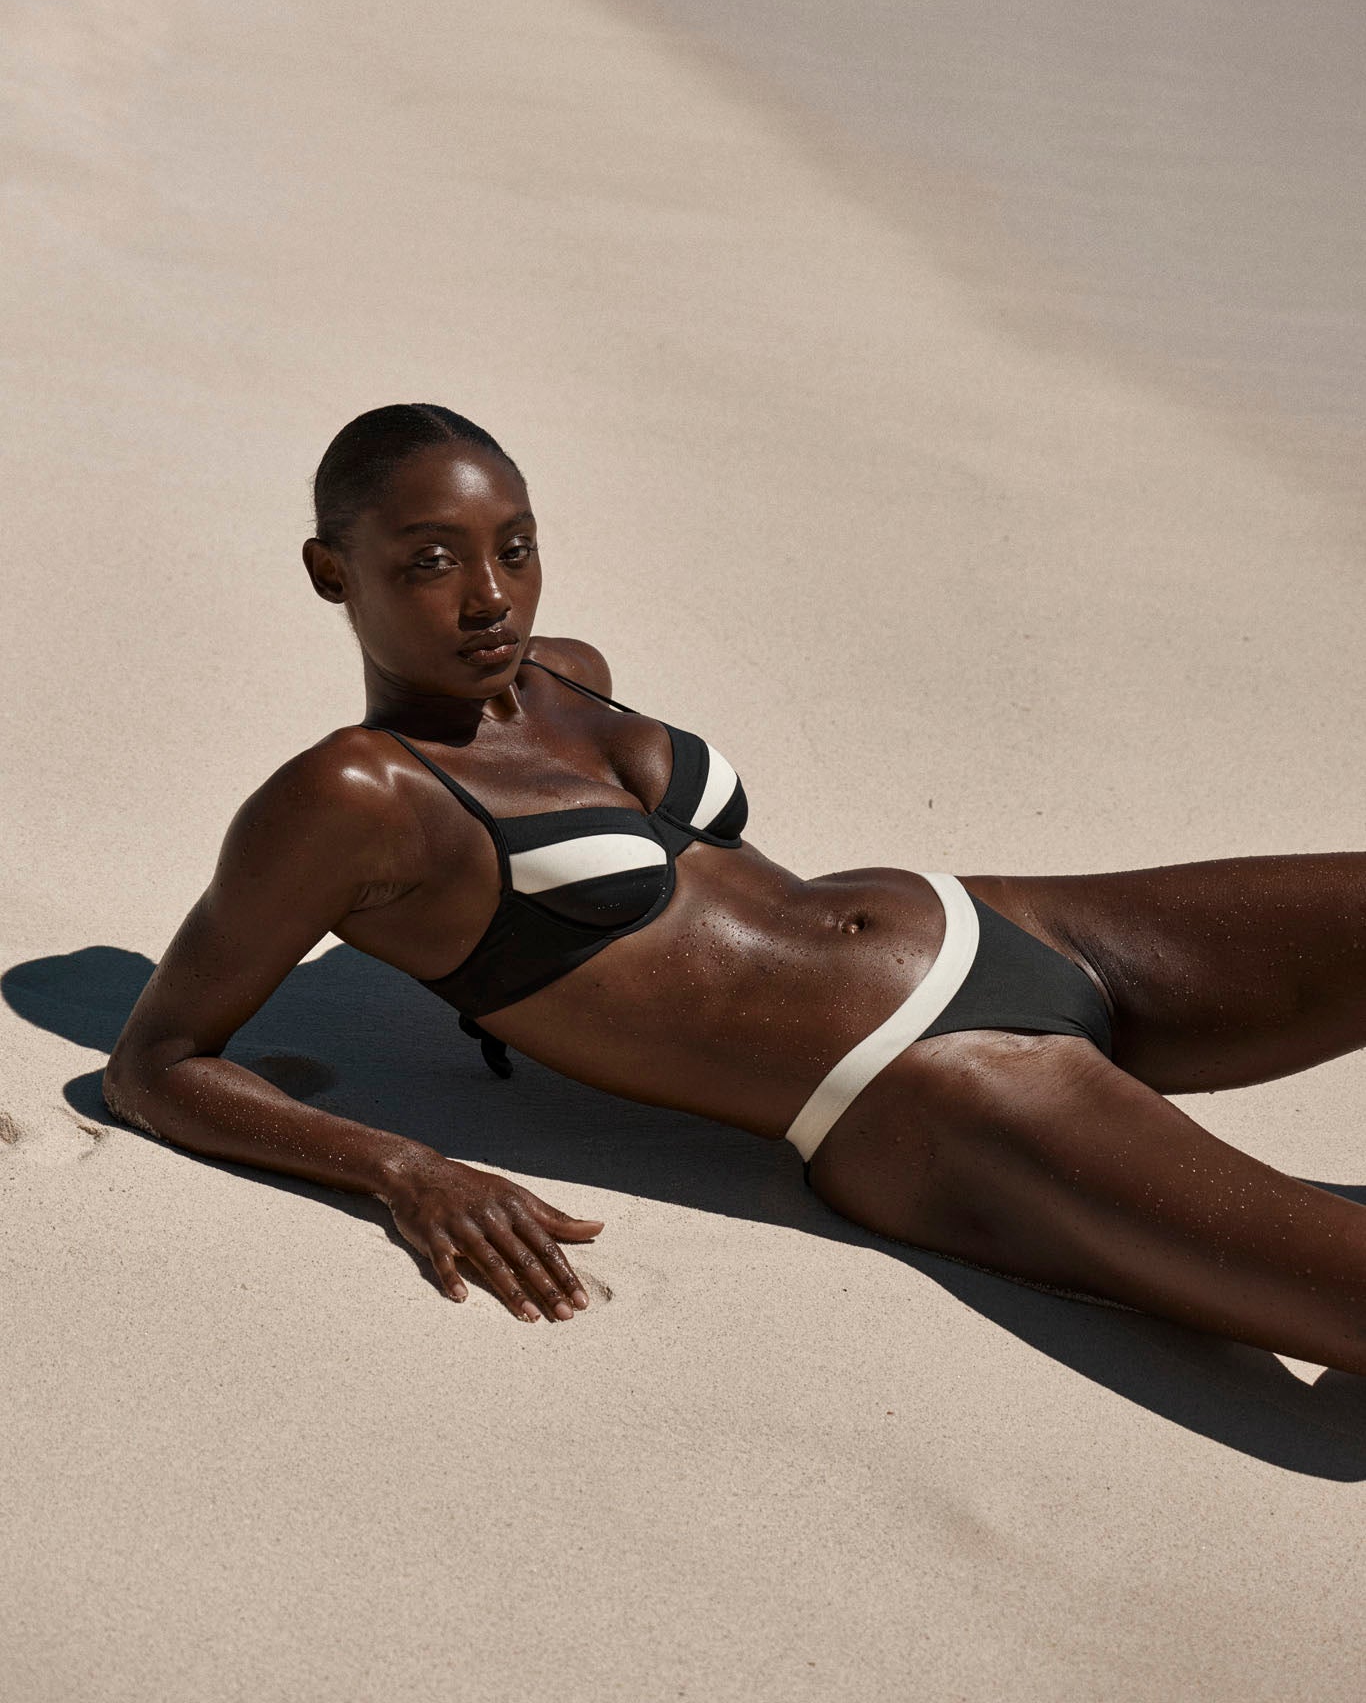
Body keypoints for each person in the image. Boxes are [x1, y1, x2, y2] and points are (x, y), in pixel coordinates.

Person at [105, 403, 1366, 1369]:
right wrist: (404, 1167)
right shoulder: (352, 797)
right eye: (432, 560)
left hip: (1014, 924)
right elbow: (156, 1061)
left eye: (516, 548)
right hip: (921, 1090)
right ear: (334, 572)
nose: (490, 595)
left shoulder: (569, 671)